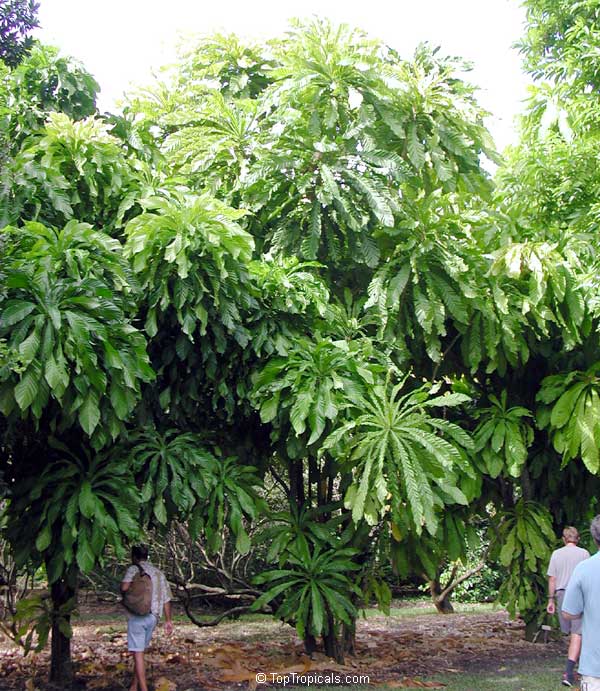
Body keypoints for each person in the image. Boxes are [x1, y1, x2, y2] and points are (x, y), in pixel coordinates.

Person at [121, 545, 174, 691]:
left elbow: (125, 587)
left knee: (138, 654)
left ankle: (143, 689)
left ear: (134, 557)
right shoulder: (158, 573)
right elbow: (166, 599)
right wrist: (168, 621)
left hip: (137, 616)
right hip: (154, 617)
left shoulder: (133, 569)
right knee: (140, 651)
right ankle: (134, 685)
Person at [547, 526, 589, 687]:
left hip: (562, 594)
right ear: (577, 539)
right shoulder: (584, 553)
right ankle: (571, 672)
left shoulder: (556, 554)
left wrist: (550, 600)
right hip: (579, 593)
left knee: (571, 633)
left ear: (564, 539)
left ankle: (571, 670)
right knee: (577, 634)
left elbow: (552, 579)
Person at [561, 518, 600, 690]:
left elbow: (569, 613)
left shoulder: (584, 568)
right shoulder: (583, 555)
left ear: (594, 538)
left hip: (595, 666)